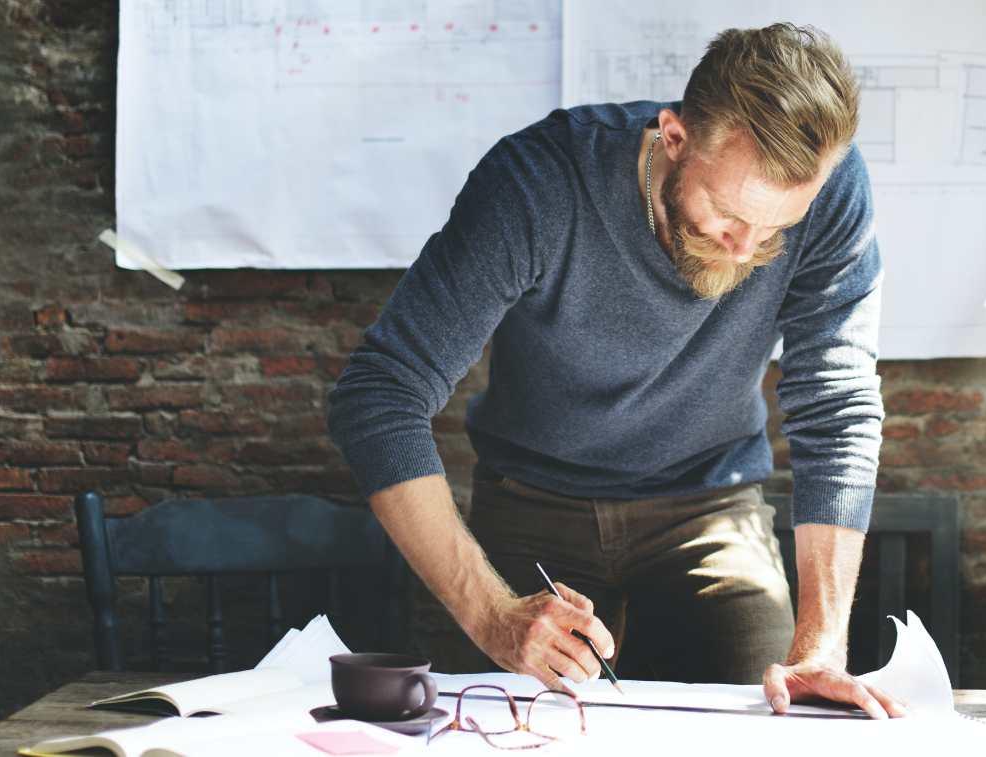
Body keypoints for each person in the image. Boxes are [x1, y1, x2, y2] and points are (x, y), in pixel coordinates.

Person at [328, 23, 906, 718]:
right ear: (672, 136)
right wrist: (491, 615)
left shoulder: (835, 189)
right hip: (535, 499)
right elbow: (378, 393)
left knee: (776, 716)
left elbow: (836, 407)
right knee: (520, 726)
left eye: (776, 226)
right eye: (725, 211)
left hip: (709, 504)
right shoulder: (538, 184)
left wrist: (819, 644)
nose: (747, 248)